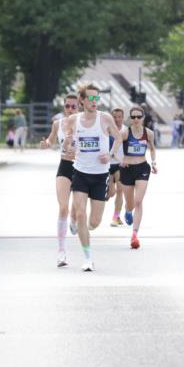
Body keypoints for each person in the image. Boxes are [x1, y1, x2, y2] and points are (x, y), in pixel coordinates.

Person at [63, 83, 122, 272]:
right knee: (81, 213)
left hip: (100, 175)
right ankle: (88, 258)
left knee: (94, 222)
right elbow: (67, 143)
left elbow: (119, 138)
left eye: (97, 98)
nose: (95, 101)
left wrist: (111, 155)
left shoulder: (105, 118)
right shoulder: (73, 120)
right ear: (82, 100)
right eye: (91, 98)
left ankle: (81, 226)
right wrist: (69, 148)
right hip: (80, 172)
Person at [40, 93, 79, 267]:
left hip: (82, 168)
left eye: (74, 106)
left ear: (79, 107)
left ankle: (74, 218)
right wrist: (46, 144)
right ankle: (61, 252)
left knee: (76, 208)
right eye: (67, 106)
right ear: (64, 107)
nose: (70, 109)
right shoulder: (58, 124)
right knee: (63, 206)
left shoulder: (85, 124)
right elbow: (51, 139)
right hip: (64, 166)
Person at [120, 106, 158, 250]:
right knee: (130, 204)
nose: (136, 119)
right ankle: (128, 211)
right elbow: (116, 145)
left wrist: (153, 162)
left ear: (143, 118)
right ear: (130, 119)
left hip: (142, 167)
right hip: (127, 169)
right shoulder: (125, 132)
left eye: (138, 117)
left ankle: (134, 235)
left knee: (138, 201)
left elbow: (152, 148)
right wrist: (120, 159)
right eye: (133, 117)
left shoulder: (149, 133)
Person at [108, 108, 127, 227]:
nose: (117, 119)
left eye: (119, 117)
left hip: (120, 165)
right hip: (107, 165)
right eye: (115, 117)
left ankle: (116, 216)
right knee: (111, 193)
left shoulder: (126, 131)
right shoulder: (107, 130)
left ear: (123, 117)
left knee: (120, 190)